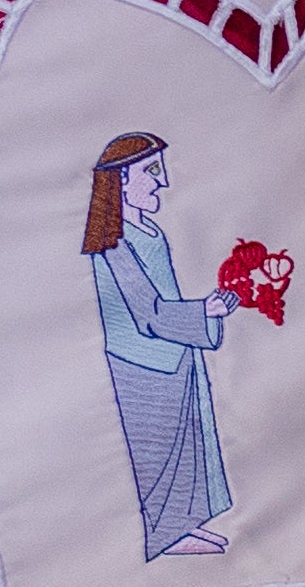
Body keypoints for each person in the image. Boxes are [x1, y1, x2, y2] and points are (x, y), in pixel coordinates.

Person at [81, 131, 239, 559]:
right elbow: (146, 311)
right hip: (143, 365)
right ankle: (165, 534)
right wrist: (202, 312)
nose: (162, 182)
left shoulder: (146, 231)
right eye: (151, 171)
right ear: (120, 182)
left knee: (189, 442)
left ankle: (183, 525)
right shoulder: (113, 243)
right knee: (159, 452)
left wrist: (206, 314)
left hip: (174, 354)